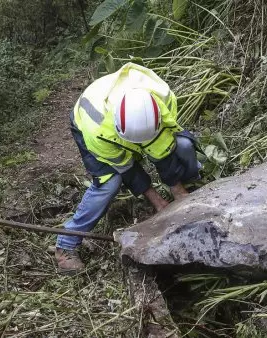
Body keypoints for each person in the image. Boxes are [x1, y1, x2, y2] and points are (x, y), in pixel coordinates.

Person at [55, 62, 202, 274]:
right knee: (110, 183)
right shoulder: (97, 130)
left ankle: (190, 185)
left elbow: (162, 149)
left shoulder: (162, 98)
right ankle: (66, 245)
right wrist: (158, 203)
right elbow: (127, 167)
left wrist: (180, 194)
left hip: (137, 124)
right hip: (85, 122)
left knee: (183, 146)